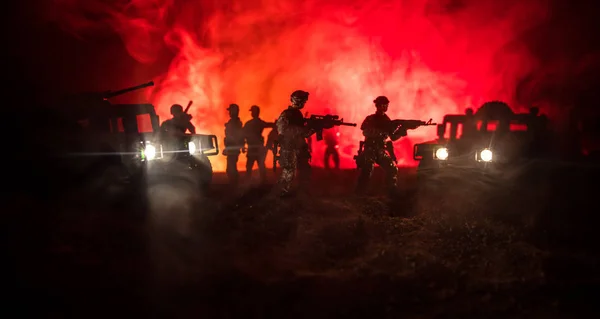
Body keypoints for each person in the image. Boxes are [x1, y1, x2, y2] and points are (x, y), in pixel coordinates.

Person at [356, 96, 405, 195]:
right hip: (370, 149)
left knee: (392, 169)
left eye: (387, 105)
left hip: (381, 150)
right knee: (367, 170)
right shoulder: (370, 119)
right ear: (378, 105)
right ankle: (360, 192)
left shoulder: (387, 120)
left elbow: (392, 138)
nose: (386, 106)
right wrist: (380, 133)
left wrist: (401, 132)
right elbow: (365, 131)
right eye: (383, 104)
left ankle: (391, 191)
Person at [276, 90, 314, 196]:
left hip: (298, 147)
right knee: (289, 172)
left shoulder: (297, 114)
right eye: (303, 101)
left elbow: (304, 134)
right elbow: (283, 130)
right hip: (289, 148)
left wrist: (312, 128)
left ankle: (301, 192)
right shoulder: (287, 114)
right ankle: (282, 194)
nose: (304, 103)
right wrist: (305, 129)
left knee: (304, 170)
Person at [243, 105, 274, 183]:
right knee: (260, 165)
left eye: (252, 111)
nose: (252, 113)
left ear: (255, 112)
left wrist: (243, 145)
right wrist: (275, 124)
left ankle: (248, 180)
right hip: (258, 147)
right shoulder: (259, 123)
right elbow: (268, 124)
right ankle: (263, 181)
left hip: (252, 148)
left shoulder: (249, 124)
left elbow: (243, 134)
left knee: (250, 166)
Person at [223, 104, 244, 186]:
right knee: (231, 167)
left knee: (231, 168)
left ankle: (234, 184)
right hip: (232, 147)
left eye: (230, 111)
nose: (229, 113)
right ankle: (234, 183)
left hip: (233, 147)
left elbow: (235, 136)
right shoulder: (234, 122)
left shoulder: (235, 123)